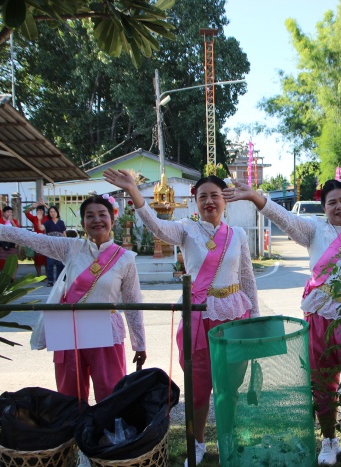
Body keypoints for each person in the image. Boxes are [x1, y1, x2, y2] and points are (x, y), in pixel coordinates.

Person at [224, 178, 341, 466]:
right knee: (322, 380)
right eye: (332, 202)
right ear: (324, 208)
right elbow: (284, 217)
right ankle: (329, 440)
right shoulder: (314, 230)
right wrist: (255, 197)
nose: (339, 206)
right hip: (321, 316)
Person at [104, 169, 258, 466]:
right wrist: (134, 191)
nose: (209, 201)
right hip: (198, 318)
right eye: (203, 197)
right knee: (198, 388)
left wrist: (254, 320)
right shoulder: (186, 229)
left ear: (225, 200)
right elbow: (156, 225)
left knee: (230, 387)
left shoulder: (237, 235)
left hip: (234, 317)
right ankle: (197, 443)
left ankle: (228, 438)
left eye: (215, 196)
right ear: (195, 202)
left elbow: (247, 278)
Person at [0, 195, 147, 403]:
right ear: (82, 222)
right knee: (69, 395)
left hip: (105, 329)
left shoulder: (125, 258)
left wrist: (140, 344)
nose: (96, 220)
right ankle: (72, 424)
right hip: (68, 328)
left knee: (110, 393)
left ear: (113, 219)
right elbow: (28, 238)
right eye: (89, 215)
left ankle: (107, 425)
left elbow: (132, 302)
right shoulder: (71, 247)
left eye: (102, 214)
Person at [42, 205, 67, 286]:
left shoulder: (61, 222)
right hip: (50, 246)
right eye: (51, 212)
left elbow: (64, 233)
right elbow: (41, 228)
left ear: (57, 212)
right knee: (50, 264)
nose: (52, 213)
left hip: (60, 246)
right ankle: (50, 281)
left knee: (59, 264)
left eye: (54, 212)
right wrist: (39, 220)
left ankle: (59, 280)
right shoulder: (47, 222)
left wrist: (66, 244)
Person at [24, 201, 49, 277]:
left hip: (45, 240)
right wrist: (33, 207)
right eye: (38, 210)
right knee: (37, 258)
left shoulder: (47, 218)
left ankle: (47, 275)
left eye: (41, 210)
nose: (39, 211)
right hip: (36, 240)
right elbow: (26, 213)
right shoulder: (34, 218)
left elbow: (53, 211)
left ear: (44, 211)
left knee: (46, 258)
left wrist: (44, 204)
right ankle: (39, 275)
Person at [0, 206, 20, 274]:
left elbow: (18, 231)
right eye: (8, 212)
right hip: (1, 243)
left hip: (11, 243)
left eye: (11, 212)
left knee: (13, 261)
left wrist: (12, 222)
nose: (9, 213)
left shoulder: (14, 221)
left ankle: (12, 278)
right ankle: (3, 276)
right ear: (3, 213)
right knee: (2, 262)